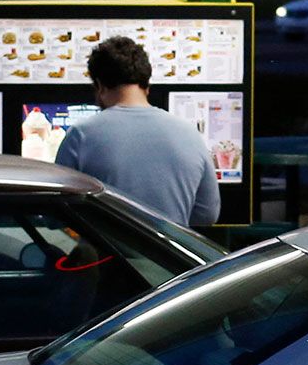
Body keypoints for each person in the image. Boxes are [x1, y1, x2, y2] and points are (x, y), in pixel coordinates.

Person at [51, 37, 220, 228]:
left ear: (99, 85)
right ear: (147, 85)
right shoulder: (190, 133)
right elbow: (208, 214)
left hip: (107, 255)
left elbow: (59, 211)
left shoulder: (81, 135)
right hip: (169, 255)